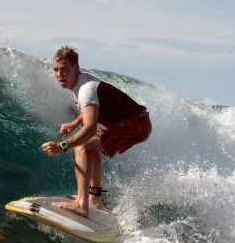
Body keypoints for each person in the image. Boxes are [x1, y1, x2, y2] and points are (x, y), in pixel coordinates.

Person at [41, 46, 152, 218]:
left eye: (64, 70)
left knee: (82, 147)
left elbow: (90, 127)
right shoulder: (82, 82)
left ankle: (81, 204)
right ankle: (94, 196)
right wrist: (73, 123)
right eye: (56, 70)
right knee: (88, 147)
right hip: (127, 122)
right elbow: (90, 111)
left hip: (135, 124)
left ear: (75, 68)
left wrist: (61, 146)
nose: (59, 74)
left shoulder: (86, 89)